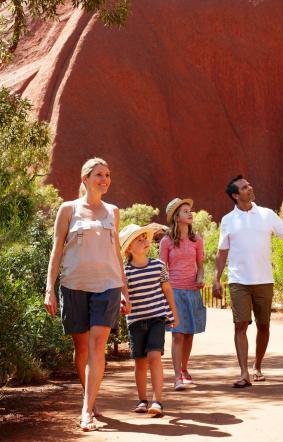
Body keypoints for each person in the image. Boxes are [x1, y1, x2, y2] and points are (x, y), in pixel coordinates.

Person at [44, 158, 131, 431]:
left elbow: (116, 251)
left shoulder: (113, 211)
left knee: (97, 345)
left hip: (107, 285)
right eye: (98, 175)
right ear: (85, 178)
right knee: (81, 349)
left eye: (107, 174)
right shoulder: (68, 210)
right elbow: (56, 251)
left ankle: (86, 410)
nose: (104, 179)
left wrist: (124, 289)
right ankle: (89, 397)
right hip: (73, 285)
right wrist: (50, 288)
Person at [212, 175, 283, 388]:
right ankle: (243, 373)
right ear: (235, 195)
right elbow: (222, 252)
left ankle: (257, 366)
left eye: (249, 185)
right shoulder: (228, 220)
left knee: (264, 326)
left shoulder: (267, 215)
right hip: (238, 280)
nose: (250, 188)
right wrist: (216, 280)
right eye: (244, 187)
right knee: (240, 325)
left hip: (264, 279)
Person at [120, 223, 178, 416]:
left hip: (156, 318)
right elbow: (122, 294)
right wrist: (122, 301)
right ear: (129, 248)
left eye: (146, 238)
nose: (146, 241)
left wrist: (174, 314)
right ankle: (142, 400)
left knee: (154, 356)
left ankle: (157, 401)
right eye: (140, 239)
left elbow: (167, 291)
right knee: (140, 362)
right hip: (135, 321)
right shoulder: (124, 272)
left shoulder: (158, 266)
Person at [159, 198, 206, 391]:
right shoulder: (166, 241)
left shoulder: (197, 240)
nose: (190, 213)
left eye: (190, 210)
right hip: (174, 292)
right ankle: (177, 376)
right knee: (177, 334)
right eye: (185, 211)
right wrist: (163, 291)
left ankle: (185, 369)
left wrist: (201, 278)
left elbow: (201, 266)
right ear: (176, 217)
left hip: (192, 292)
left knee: (189, 334)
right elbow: (162, 269)